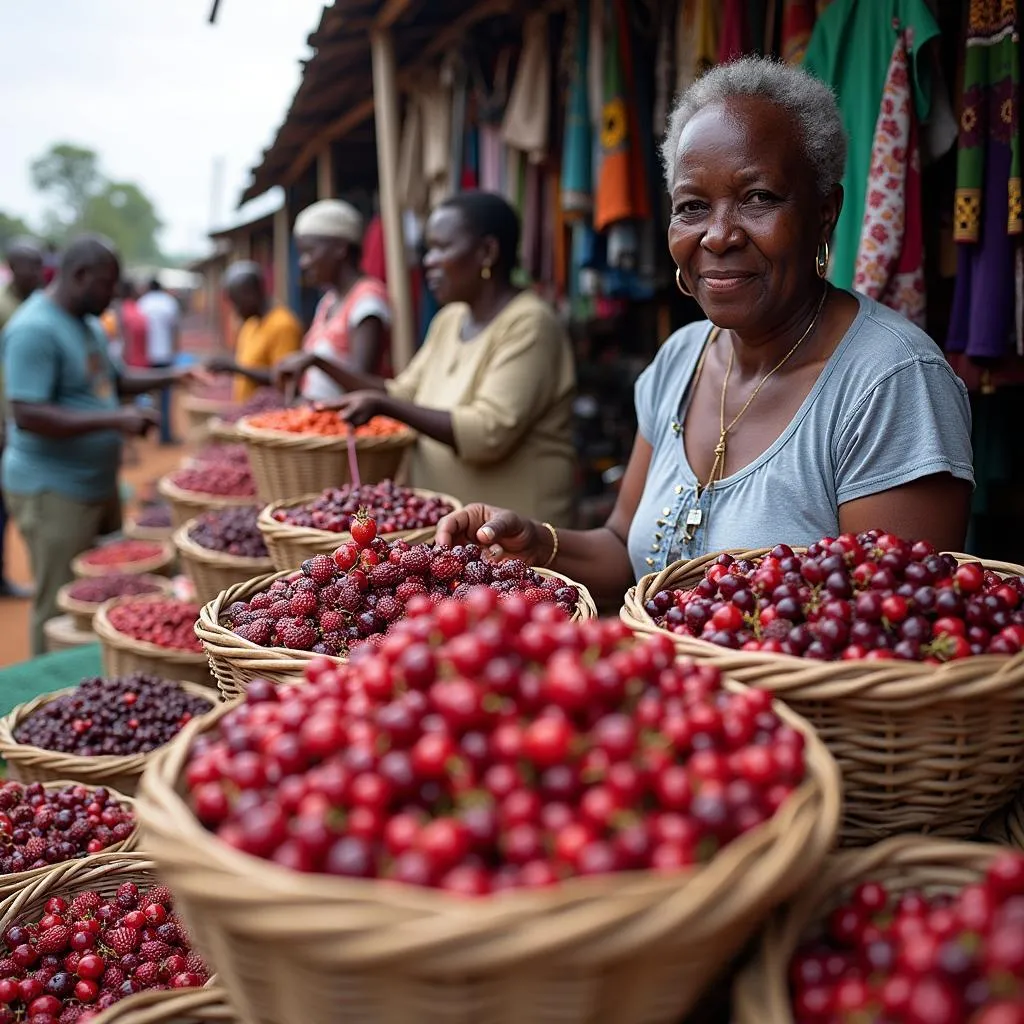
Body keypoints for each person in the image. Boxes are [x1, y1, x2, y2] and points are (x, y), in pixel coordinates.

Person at [435, 58, 974, 606]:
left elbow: (886, 625)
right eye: (692, 206)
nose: (717, 236)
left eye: (759, 198)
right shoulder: (681, 358)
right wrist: (538, 542)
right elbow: (626, 549)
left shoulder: (891, 384)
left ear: (825, 213)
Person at [278, 191, 578, 526]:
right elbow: (401, 393)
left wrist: (383, 405)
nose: (429, 261)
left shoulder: (530, 323)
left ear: (487, 252)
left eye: (441, 248)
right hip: (453, 527)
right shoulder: (449, 320)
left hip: (515, 534)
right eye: (427, 249)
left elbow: (487, 434)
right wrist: (321, 364)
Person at [2, 236, 209, 654]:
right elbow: (28, 413)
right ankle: (46, 692)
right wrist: (116, 418)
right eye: (107, 283)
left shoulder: (88, 323)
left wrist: (172, 376)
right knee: (60, 599)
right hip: (52, 487)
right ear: (79, 276)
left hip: (96, 481)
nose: (114, 294)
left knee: (101, 591)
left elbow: (115, 380)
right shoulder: (33, 329)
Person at [272, 199, 392, 401]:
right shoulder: (329, 300)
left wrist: (315, 361)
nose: (303, 263)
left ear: (340, 249)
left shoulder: (368, 300)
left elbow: (363, 384)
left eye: (309, 252)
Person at [0, 238, 44, 600]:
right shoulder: (4, 306)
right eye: (29, 266)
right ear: (12, 267)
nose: (36, 273)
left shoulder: (34, 304)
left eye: (39, 265)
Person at [205, 261, 302, 403]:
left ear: (251, 293)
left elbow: (284, 378)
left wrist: (235, 368)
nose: (235, 309)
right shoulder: (250, 324)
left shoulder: (283, 325)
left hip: (270, 416)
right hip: (248, 413)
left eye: (236, 301)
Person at [137, 277, 181, 444]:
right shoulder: (168, 302)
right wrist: (176, 351)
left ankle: (146, 431)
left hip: (147, 356)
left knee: (147, 395)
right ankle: (165, 435)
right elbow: (175, 329)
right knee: (165, 397)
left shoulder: (143, 303)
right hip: (165, 355)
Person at [100, 279, 149, 369]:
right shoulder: (138, 309)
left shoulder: (120, 312)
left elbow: (122, 340)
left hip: (128, 365)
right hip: (142, 363)